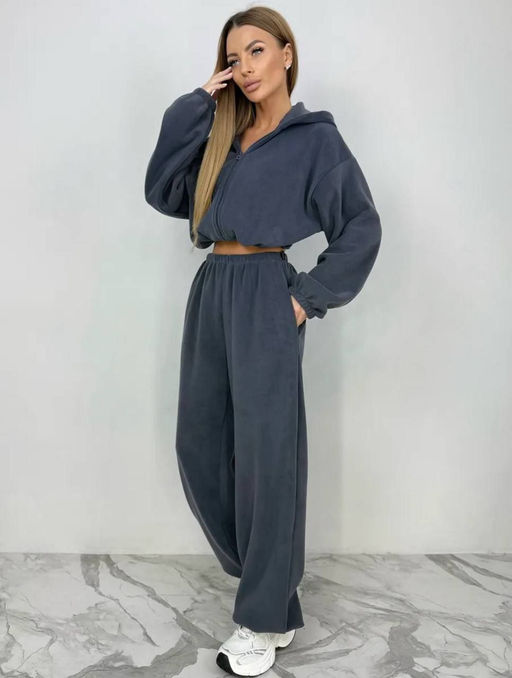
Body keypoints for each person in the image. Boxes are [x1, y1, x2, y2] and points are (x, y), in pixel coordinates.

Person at [144, 6, 382, 676]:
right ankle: (267, 583)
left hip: (266, 295)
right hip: (212, 289)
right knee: (197, 445)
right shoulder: (222, 137)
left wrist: (306, 299)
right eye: (233, 58)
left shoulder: (316, 141)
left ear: (285, 53)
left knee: (265, 458)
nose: (245, 67)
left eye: (255, 51)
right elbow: (162, 190)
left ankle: (263, 614)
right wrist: (199, 103)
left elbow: (361, 226)